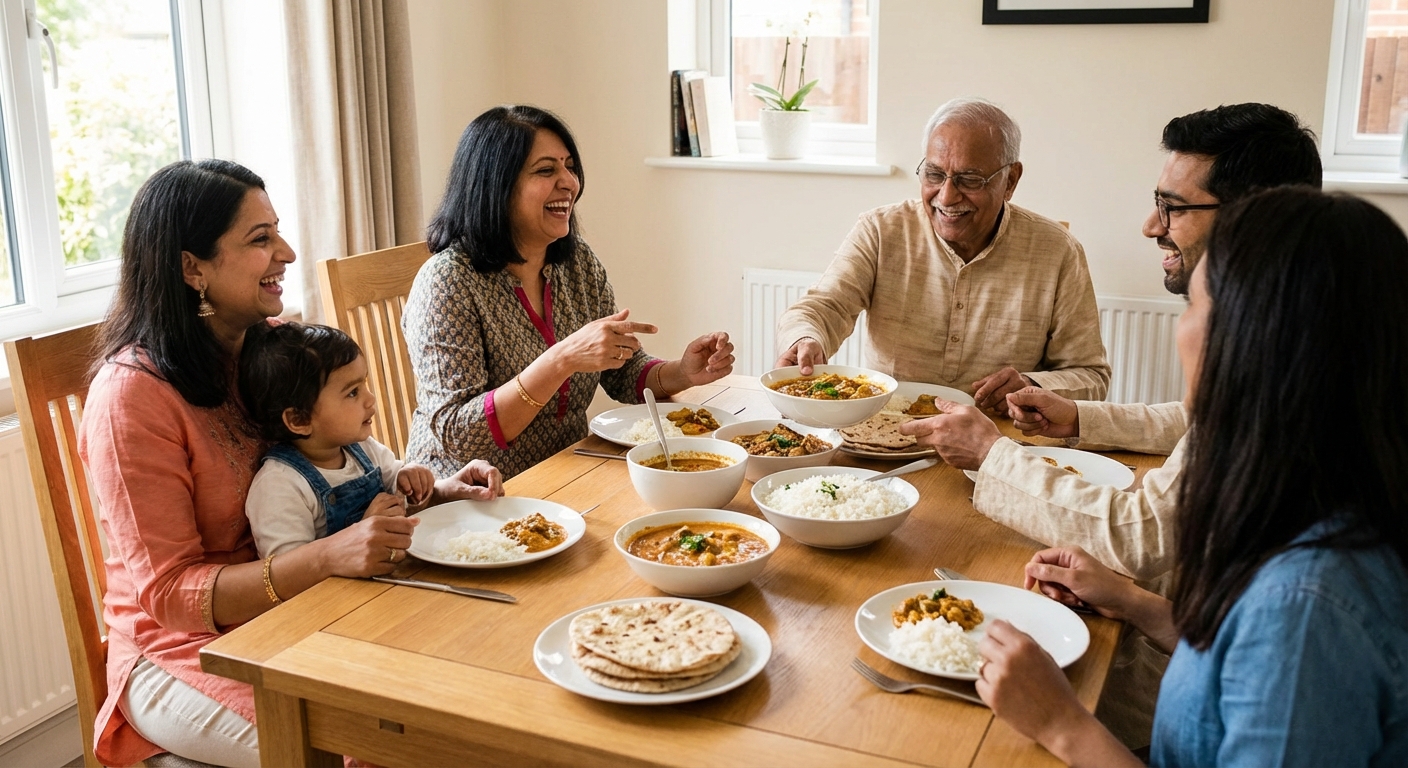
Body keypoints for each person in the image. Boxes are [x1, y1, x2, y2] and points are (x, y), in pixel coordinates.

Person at [900, 103, 1323, 748]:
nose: (1150, 225)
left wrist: (992, 455)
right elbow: (1194, 423)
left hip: (1174, 714)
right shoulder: (1302, 348)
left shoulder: (1274, 381)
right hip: (1183, 640)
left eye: (1172, 206)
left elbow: (1139, 533)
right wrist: (1078, 419)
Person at [78, 160, 501, 767]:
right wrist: (330, 555)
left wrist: (433, 490)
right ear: (191, 267)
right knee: (372, 742)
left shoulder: (270, 347)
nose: (289, 252)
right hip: (180, 652)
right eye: (260, 239)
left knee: (461, 682)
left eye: (277, 230)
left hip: (309, 612)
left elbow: (343, 461)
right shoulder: (130, 397)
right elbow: (170, 593)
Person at [974, 187, 1408, 767]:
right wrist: (1135, 604)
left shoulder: (1305, 613)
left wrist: (1062, 724)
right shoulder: (1329, 492)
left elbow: (1279, 643)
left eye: (1195, 308)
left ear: (1254, 344)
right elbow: (1243, 664)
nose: (1182, 332)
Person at [404, 105, 735, 480]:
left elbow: (623, 373)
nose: (569, 183)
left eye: (569, 166)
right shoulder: (447, 283)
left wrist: (684, 372)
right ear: (496, 185)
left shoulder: (576, 261)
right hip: (471, 495)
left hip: (563, 474)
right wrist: (561, 359)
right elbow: (458, 435)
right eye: (546, 170)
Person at [774, 97, 1110, 413]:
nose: (947, 197)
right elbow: (823, 307)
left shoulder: (1057, 250)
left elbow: (1091, 376)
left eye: (970, 179)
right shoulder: (881, 230)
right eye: (935, 175)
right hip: (888, 425)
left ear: (1010, 180)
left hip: (995, 439)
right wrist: (806, 338)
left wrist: (1032, 383)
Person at [238, 322, 502, 558]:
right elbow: (289, 573)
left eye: (364, 384)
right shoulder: (279, 485)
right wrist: (358, 534)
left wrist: (429, 487)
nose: (370, 398)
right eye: (352, 392)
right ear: (299, 420)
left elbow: (405, 501)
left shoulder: (362, 449)